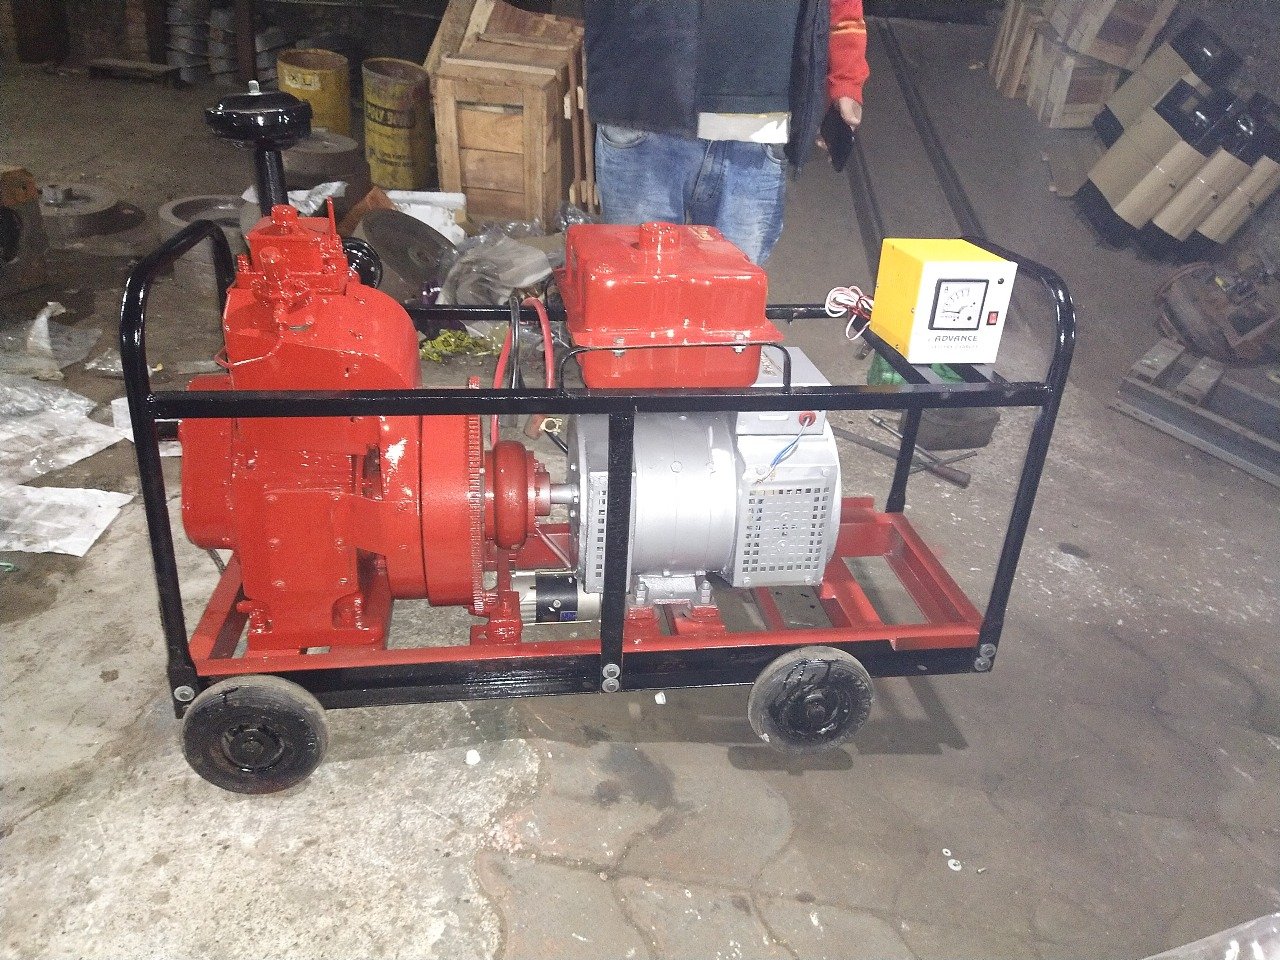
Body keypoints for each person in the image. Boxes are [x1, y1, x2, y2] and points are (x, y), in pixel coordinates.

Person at [584, 0, 869, 264]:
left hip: (759, 116)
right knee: (638, 294)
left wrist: (847, 71)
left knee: (732, 297)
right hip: (644, 97)